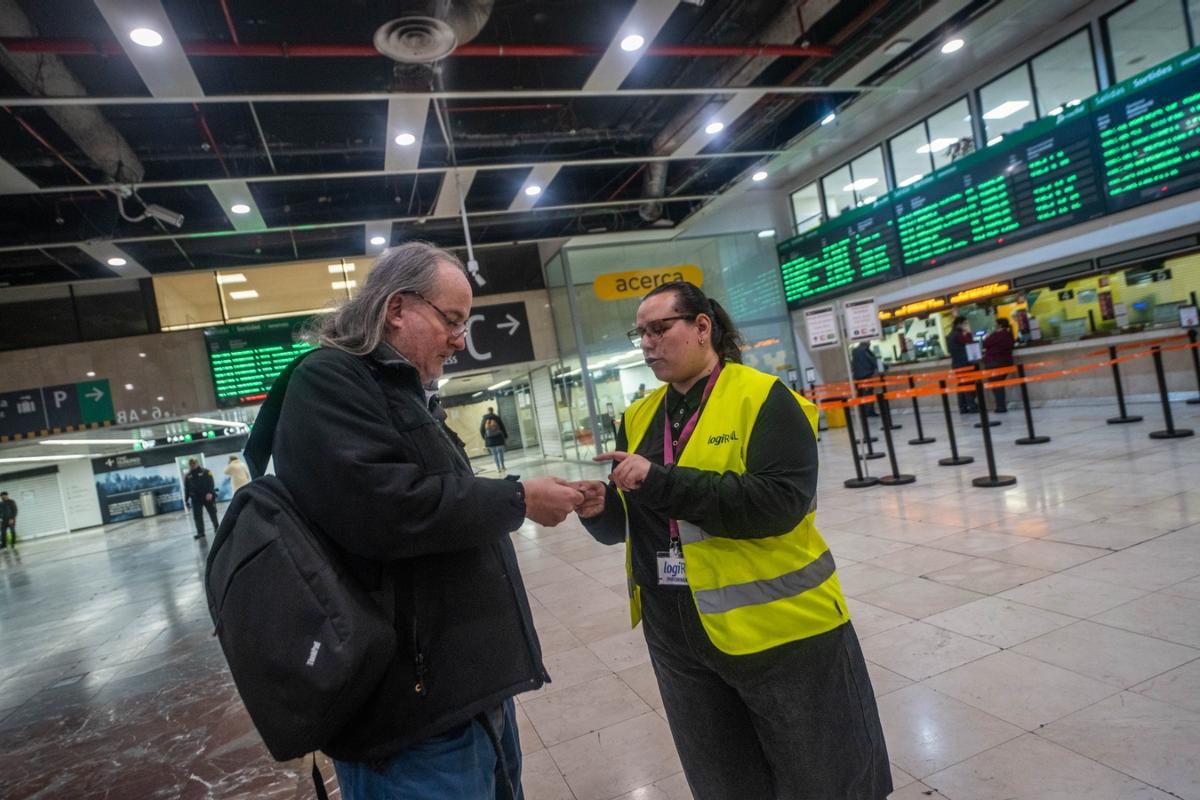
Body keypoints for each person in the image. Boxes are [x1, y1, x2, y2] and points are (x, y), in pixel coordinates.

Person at [272, 241, 582, 799]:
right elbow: (389, 510)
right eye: (452, 321)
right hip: (410, 722)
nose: (460, 340)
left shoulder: (402, 392)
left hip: (465, 695)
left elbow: (444, 500)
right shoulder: (327, 383)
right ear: (397, 308)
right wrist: (518, 501)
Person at [574, 281, 891, 799]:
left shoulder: (765, 398)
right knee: (724, 778)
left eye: (660, 329)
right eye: (641, 334)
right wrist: (600, 509)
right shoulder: (637, 416)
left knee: (823, 777)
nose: (649, 343)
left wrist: (660, 482)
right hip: (675, 626)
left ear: (703, 328)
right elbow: (634, 520)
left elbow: (779, 503)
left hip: (779, 628)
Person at [982, 317, 1016, 413]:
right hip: (1006, 363)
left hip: (994, 363)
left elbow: (985, 343)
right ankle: (1001, 405)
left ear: (999, 325)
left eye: (996, 324)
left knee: (996, 386)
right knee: (999, 384)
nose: (995, 326)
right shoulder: (1009, 334)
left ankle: (1001, 407)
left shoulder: (996, 334)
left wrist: (989, 335)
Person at [947, 315, 979, 414]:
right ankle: (972, 406)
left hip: (956, 364)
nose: (967, 325)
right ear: (959, 324)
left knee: (961, 385)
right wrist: (969, 332)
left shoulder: (950, 335)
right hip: (964, 363)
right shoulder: (958, 335)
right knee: (968, 385)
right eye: (965, 323)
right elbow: (969, 342)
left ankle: (963, 407)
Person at [183, 459, 219, 540]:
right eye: (191, 464)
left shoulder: (206, 472)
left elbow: (211, 482)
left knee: (212, 513)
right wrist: (186, 500)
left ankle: (217, 528)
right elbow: (186, 488)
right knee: (197, 516)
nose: (192, 465)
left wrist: (210, 493)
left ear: (197, 463)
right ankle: (200, 533)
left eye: (193, 463)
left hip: (207, 497)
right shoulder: (188, 476)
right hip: (195, 499)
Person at [850, 340, 880, 416]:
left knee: (861, 394)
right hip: (866, 375)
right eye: (869, 341)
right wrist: (883, 366)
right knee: (868, 394)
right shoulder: (865, 350)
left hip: (857, 376)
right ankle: (869, 412)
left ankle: (862, 412)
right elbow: (873, 360)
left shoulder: (855, 351)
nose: (870, 343)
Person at [479, 406, 508, 473]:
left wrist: (484, 437)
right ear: (493, 410)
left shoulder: (484, 418)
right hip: (499, 439)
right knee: (500, 453)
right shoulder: (497, 417)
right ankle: (503, 466)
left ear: (487, 411)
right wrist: (505, 436)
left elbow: (481, 429)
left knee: (494, 455)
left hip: (490, 440)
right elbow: (502, 427)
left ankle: (498, 468)